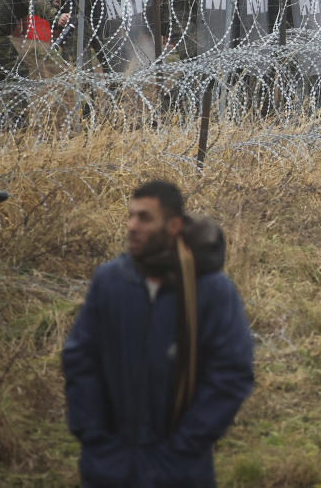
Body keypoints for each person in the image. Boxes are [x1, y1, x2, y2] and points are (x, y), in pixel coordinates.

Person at [62, 181, 254, 487]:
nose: (132, 226)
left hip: (180, 471)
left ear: (174, 225)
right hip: (109, 467)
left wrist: (183, 448)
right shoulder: (111, 281)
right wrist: (94, 437)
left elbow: (231, 374)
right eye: (131, 216)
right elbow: (80, 360)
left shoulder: (210, 289)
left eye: (145, 218)